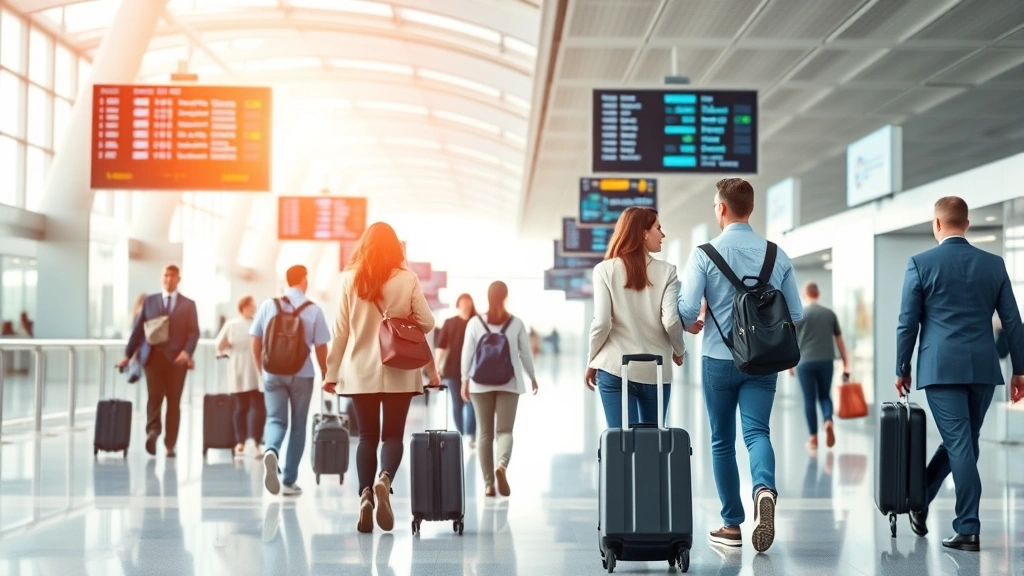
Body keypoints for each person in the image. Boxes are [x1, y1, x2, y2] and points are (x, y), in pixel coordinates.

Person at [677, 178, 803, 552]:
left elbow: (687, 310)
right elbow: (796, 314)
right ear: (750, 208)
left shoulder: (704, 254)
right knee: (757, 432)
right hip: (763, 362)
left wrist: (694, 320)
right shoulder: (777, 255)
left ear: (721, 208)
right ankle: (764, 489)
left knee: (722, 441)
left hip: (718, 359)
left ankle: (731, 525)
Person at [896, 196, 1024, 551]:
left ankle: (967, 527)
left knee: (960, 443)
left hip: (941, 369)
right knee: (964, 441)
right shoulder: (993, 264)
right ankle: (919, 498)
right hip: (983, 368)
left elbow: (907, 322)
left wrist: (902, 368)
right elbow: (1013, 322)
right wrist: (1020, 370)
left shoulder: (920, 263)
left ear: (936, 224)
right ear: (966, 224)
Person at [322, 222, 440, 533]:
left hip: (360, 370)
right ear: (395, 248)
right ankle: (384, 480)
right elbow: (428, 322)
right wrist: (404, 317)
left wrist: (331, 373)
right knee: (393, 436)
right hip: (399, 367)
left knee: (366, 437)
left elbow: (341, 331)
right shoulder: (407, 279)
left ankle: (365, 496)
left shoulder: (350, 278)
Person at [585, 206, 686, 429]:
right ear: (643, 233)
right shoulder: (667, 271)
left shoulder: (604, 270)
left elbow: (601, 323)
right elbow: (671, 321)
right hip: (655, 370)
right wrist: (679, 350)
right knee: (653, 443)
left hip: (614, 368)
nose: (663, 234)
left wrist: (592, 360)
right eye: (658, 228)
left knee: (621, 442)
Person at [250, 265, 330, 497]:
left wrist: (262, 370)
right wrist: (326, 374)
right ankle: (289, 480)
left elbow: (256, 340)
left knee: (275, 419)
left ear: (287, 281)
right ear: (304, 280)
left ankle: (271, 450)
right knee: (297, 425)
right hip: (301, 375)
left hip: (272, 373)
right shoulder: (313, 310)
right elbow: (321, 347)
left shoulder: (268, 305)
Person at [460, 281, 538, 497]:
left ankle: (488, 484)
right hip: (509, 382)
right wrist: (532, 377)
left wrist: (464, 380)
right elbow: (525, 353)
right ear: (506, 297)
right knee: (504, 431)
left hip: (480, 384)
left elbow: (467, 354)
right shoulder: (516, 323)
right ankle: (501, 465)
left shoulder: (475, 323)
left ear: (487, 297)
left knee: (484, 433)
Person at [119, 265, 200, 458]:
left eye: (172, 276)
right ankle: (153, 432)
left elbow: (193, 333)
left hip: (177, 361)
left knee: (174, 401)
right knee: (154, 397)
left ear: (178, 279)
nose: (168, 279)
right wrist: (127, 355)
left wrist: (187, 353)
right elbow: (138, 330)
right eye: (165, 275)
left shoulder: (188, 305)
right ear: (161, 277)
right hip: (153, 358)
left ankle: (170, 444)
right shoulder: (150, 301)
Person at [791, 282, 849, 450]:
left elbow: (790, 341)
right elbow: (839, 340)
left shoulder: (799, 315)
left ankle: (813, 439)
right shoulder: (829, 314)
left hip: (804, 362)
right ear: (818, 293)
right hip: (826, 361)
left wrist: (789, 365)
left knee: (809, 400)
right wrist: (846, 363)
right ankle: (828, 420)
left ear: (805, 294)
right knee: (825, 396)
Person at [215, 295, 263, 458]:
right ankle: (240, 441)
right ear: (244, 307)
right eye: (251, 305)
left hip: (255, 368)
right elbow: (219, 344)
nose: (254, 308)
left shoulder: (258, 323)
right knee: (241, 406)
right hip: (239, 368)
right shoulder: (232, 325)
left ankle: (255, 441)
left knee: (257, 406)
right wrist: (226, 347)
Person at [434, 293, 478, 448]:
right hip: (453, 369)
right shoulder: (450, 322)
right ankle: (460, 433)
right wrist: (436, 366)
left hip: (474, 370)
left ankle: (471, 434)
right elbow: (441, 345)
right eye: (463, 301)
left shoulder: (477, 322)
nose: (466, 304)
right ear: (458, 304)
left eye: (468, 301)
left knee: (472, 402)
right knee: (457, 404)